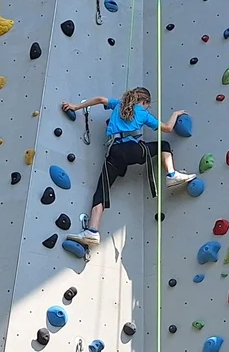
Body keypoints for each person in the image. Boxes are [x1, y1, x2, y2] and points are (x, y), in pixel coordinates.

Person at [59, 88, 193, 244]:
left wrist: (75, 106)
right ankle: (171, 175)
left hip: (114, 153)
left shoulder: (119, 104)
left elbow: (101, 99)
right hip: (134, 151)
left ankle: (92, 231)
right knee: (164, 144)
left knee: (102, 190)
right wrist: (175, 114)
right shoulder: (143, 114)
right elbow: (168, 128)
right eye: (147, 105)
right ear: (145, 102)